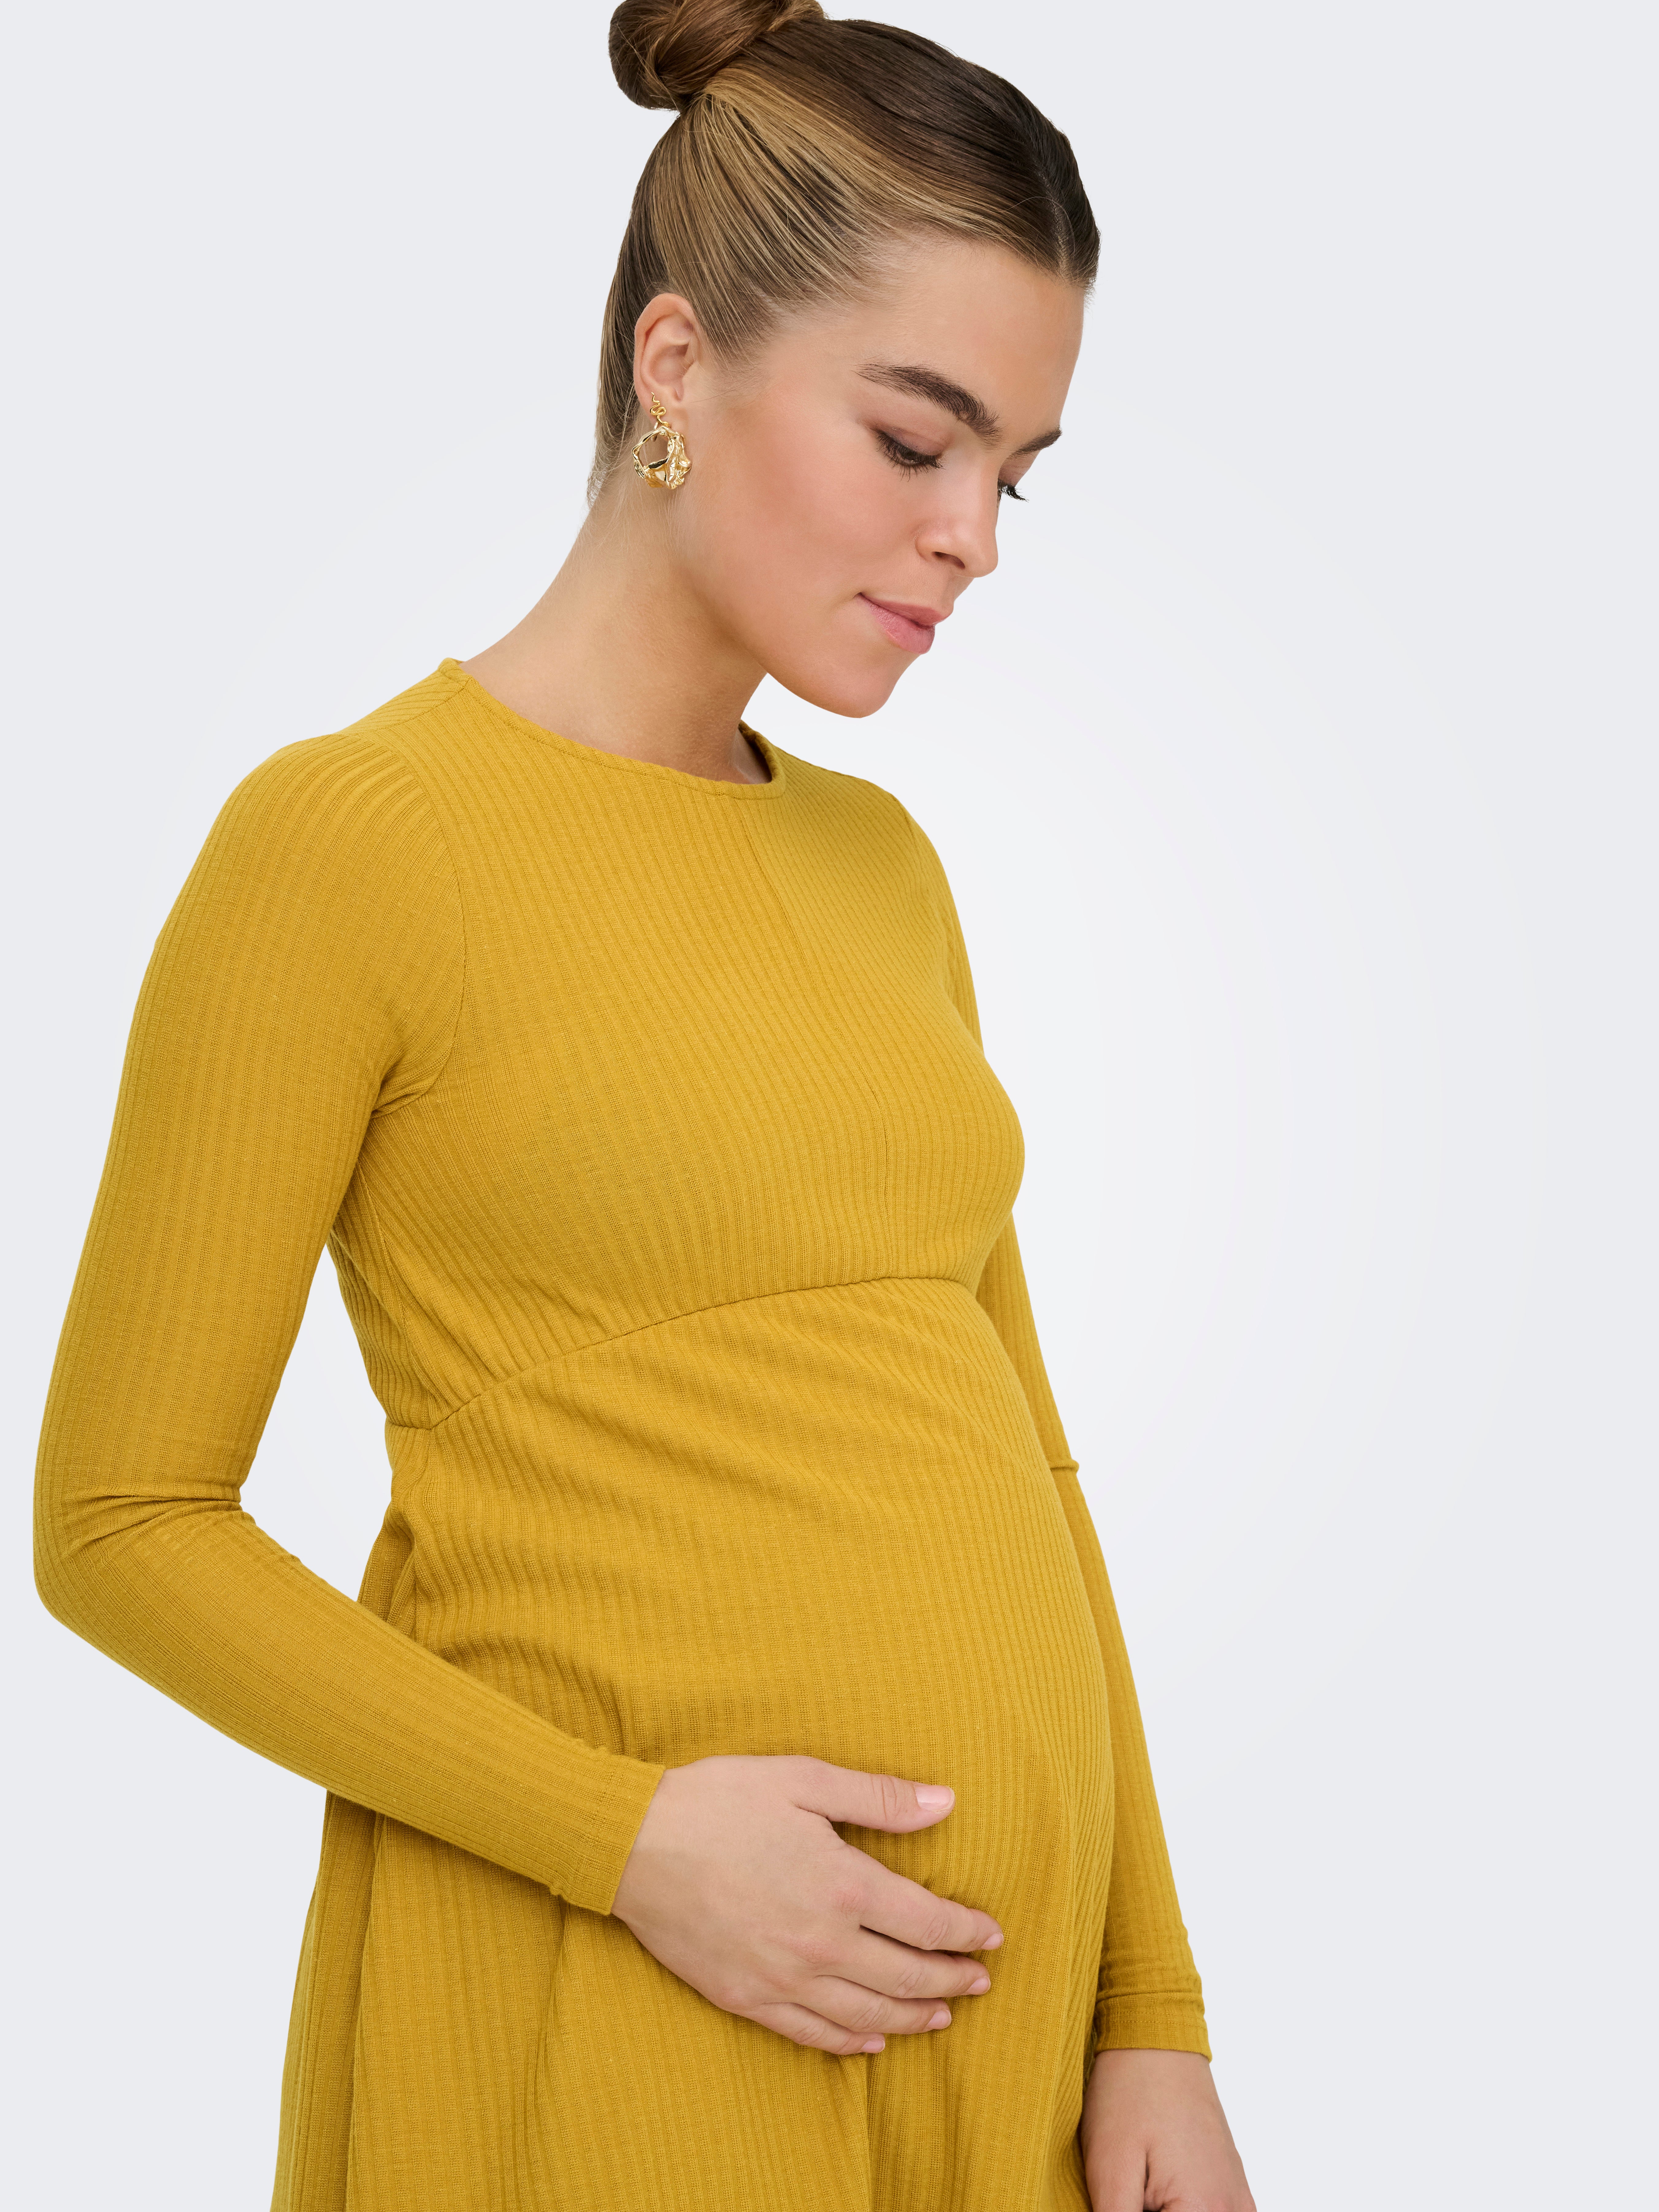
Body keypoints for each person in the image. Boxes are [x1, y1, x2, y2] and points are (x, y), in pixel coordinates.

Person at [33, 3, 1257, 2207]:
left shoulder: (883, 865)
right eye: (916, 440)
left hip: (992, 2048)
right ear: (675, 366)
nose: (973, 538)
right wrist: (631, 1845)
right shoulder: (351, 844)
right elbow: (122, 1524)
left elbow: (1029, 1458)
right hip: (613, 2004)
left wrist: (1148, 2012)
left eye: (1012, 474)